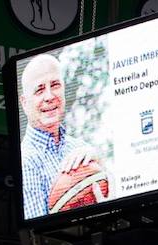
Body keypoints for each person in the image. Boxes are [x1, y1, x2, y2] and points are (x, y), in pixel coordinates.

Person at [19, 53, 102, 219]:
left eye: (55, 85)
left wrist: (99, 164)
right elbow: (38, 233)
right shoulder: (25, 160)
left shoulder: (81, 148)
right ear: (24, 103)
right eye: (39, 90)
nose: (49, 96)